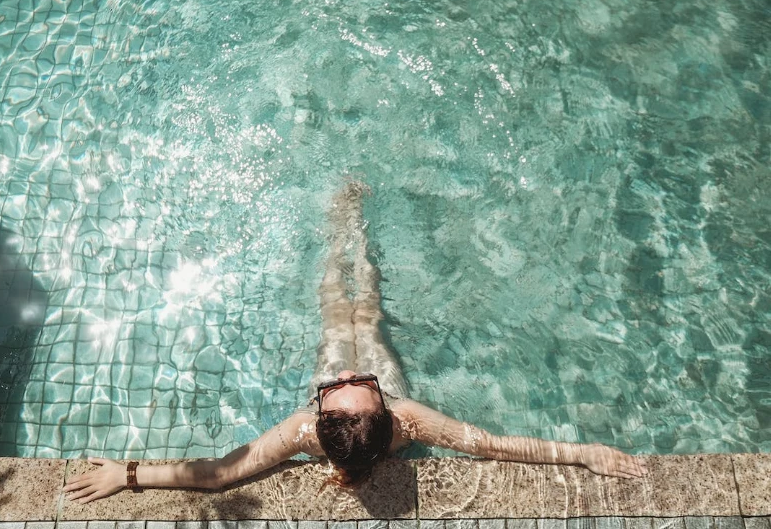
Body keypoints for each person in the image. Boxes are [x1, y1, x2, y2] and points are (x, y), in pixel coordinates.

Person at [64, 182, 647, 504]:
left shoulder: (302, 433)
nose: (348, 376)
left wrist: (129, 474)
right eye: (355, 385)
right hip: (374, 379)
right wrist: (578, 452)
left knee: (335, 312)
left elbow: (221, 473)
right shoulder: (405, 418)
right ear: (380, 406)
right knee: (365, 317)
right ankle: (353, 232)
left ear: (319, 414)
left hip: (349, 384)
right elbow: (490, 445)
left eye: (343, 388)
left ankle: (341, 233)